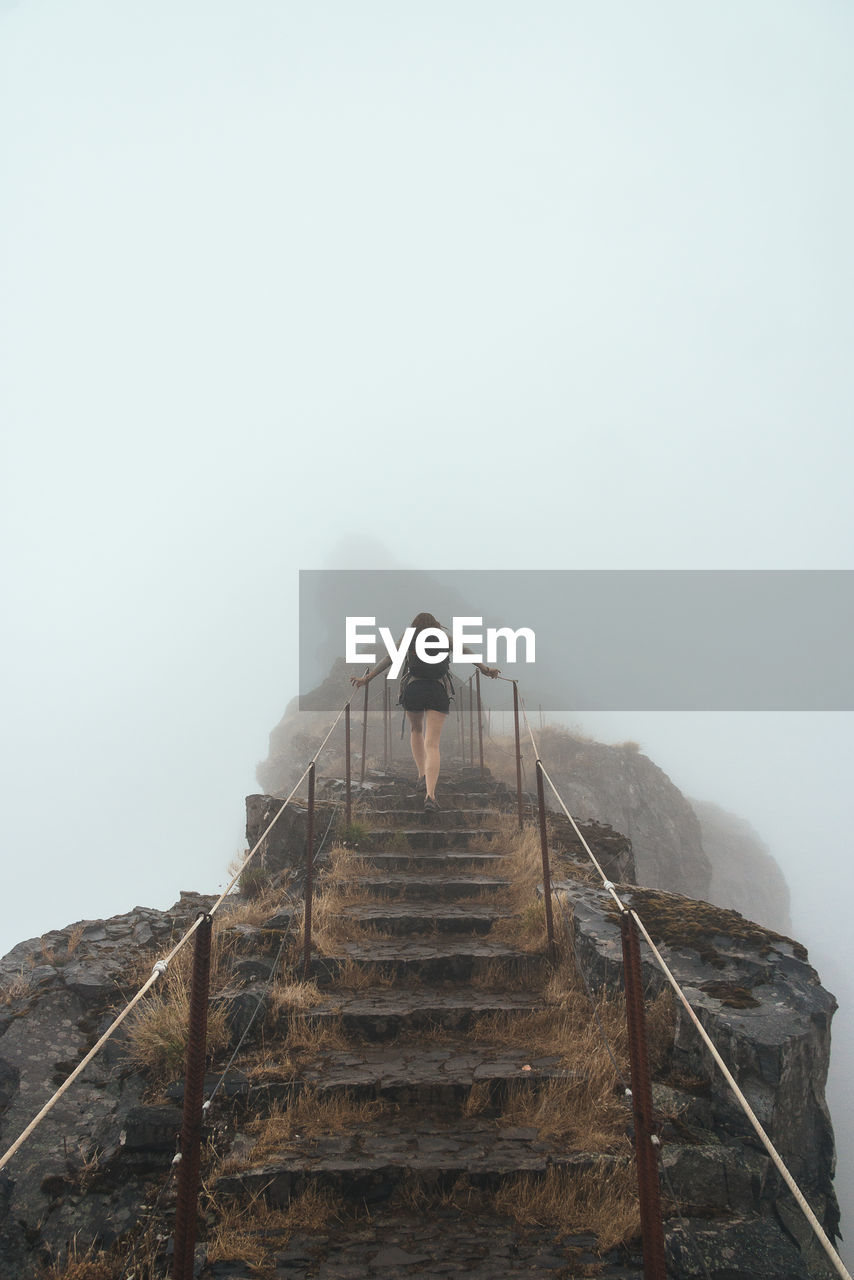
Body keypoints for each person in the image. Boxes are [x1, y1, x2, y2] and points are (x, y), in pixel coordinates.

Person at [350, 612, 499, 809]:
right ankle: (430, 796)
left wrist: (366, 679)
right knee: (433, 745)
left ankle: (421, 774)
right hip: (437, 691)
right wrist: (484, 668)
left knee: (416, 730)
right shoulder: (443, 638)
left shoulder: (409, 637)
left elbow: (389, 658)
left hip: (414, 689)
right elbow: (465, 650)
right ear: (435, 624)